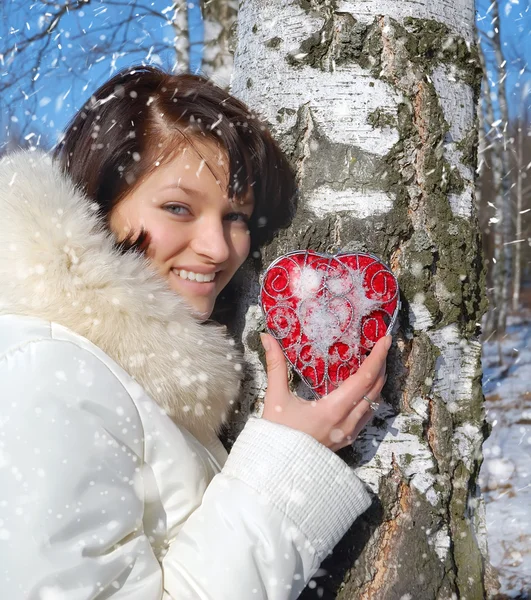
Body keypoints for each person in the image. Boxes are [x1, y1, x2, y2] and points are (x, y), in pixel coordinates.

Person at [0, 66, 390, 599]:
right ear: (97, 204)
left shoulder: (129, 373)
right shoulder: (46, 369)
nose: (217, 247)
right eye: (178, 208)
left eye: (236, 216)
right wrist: (288, 465)